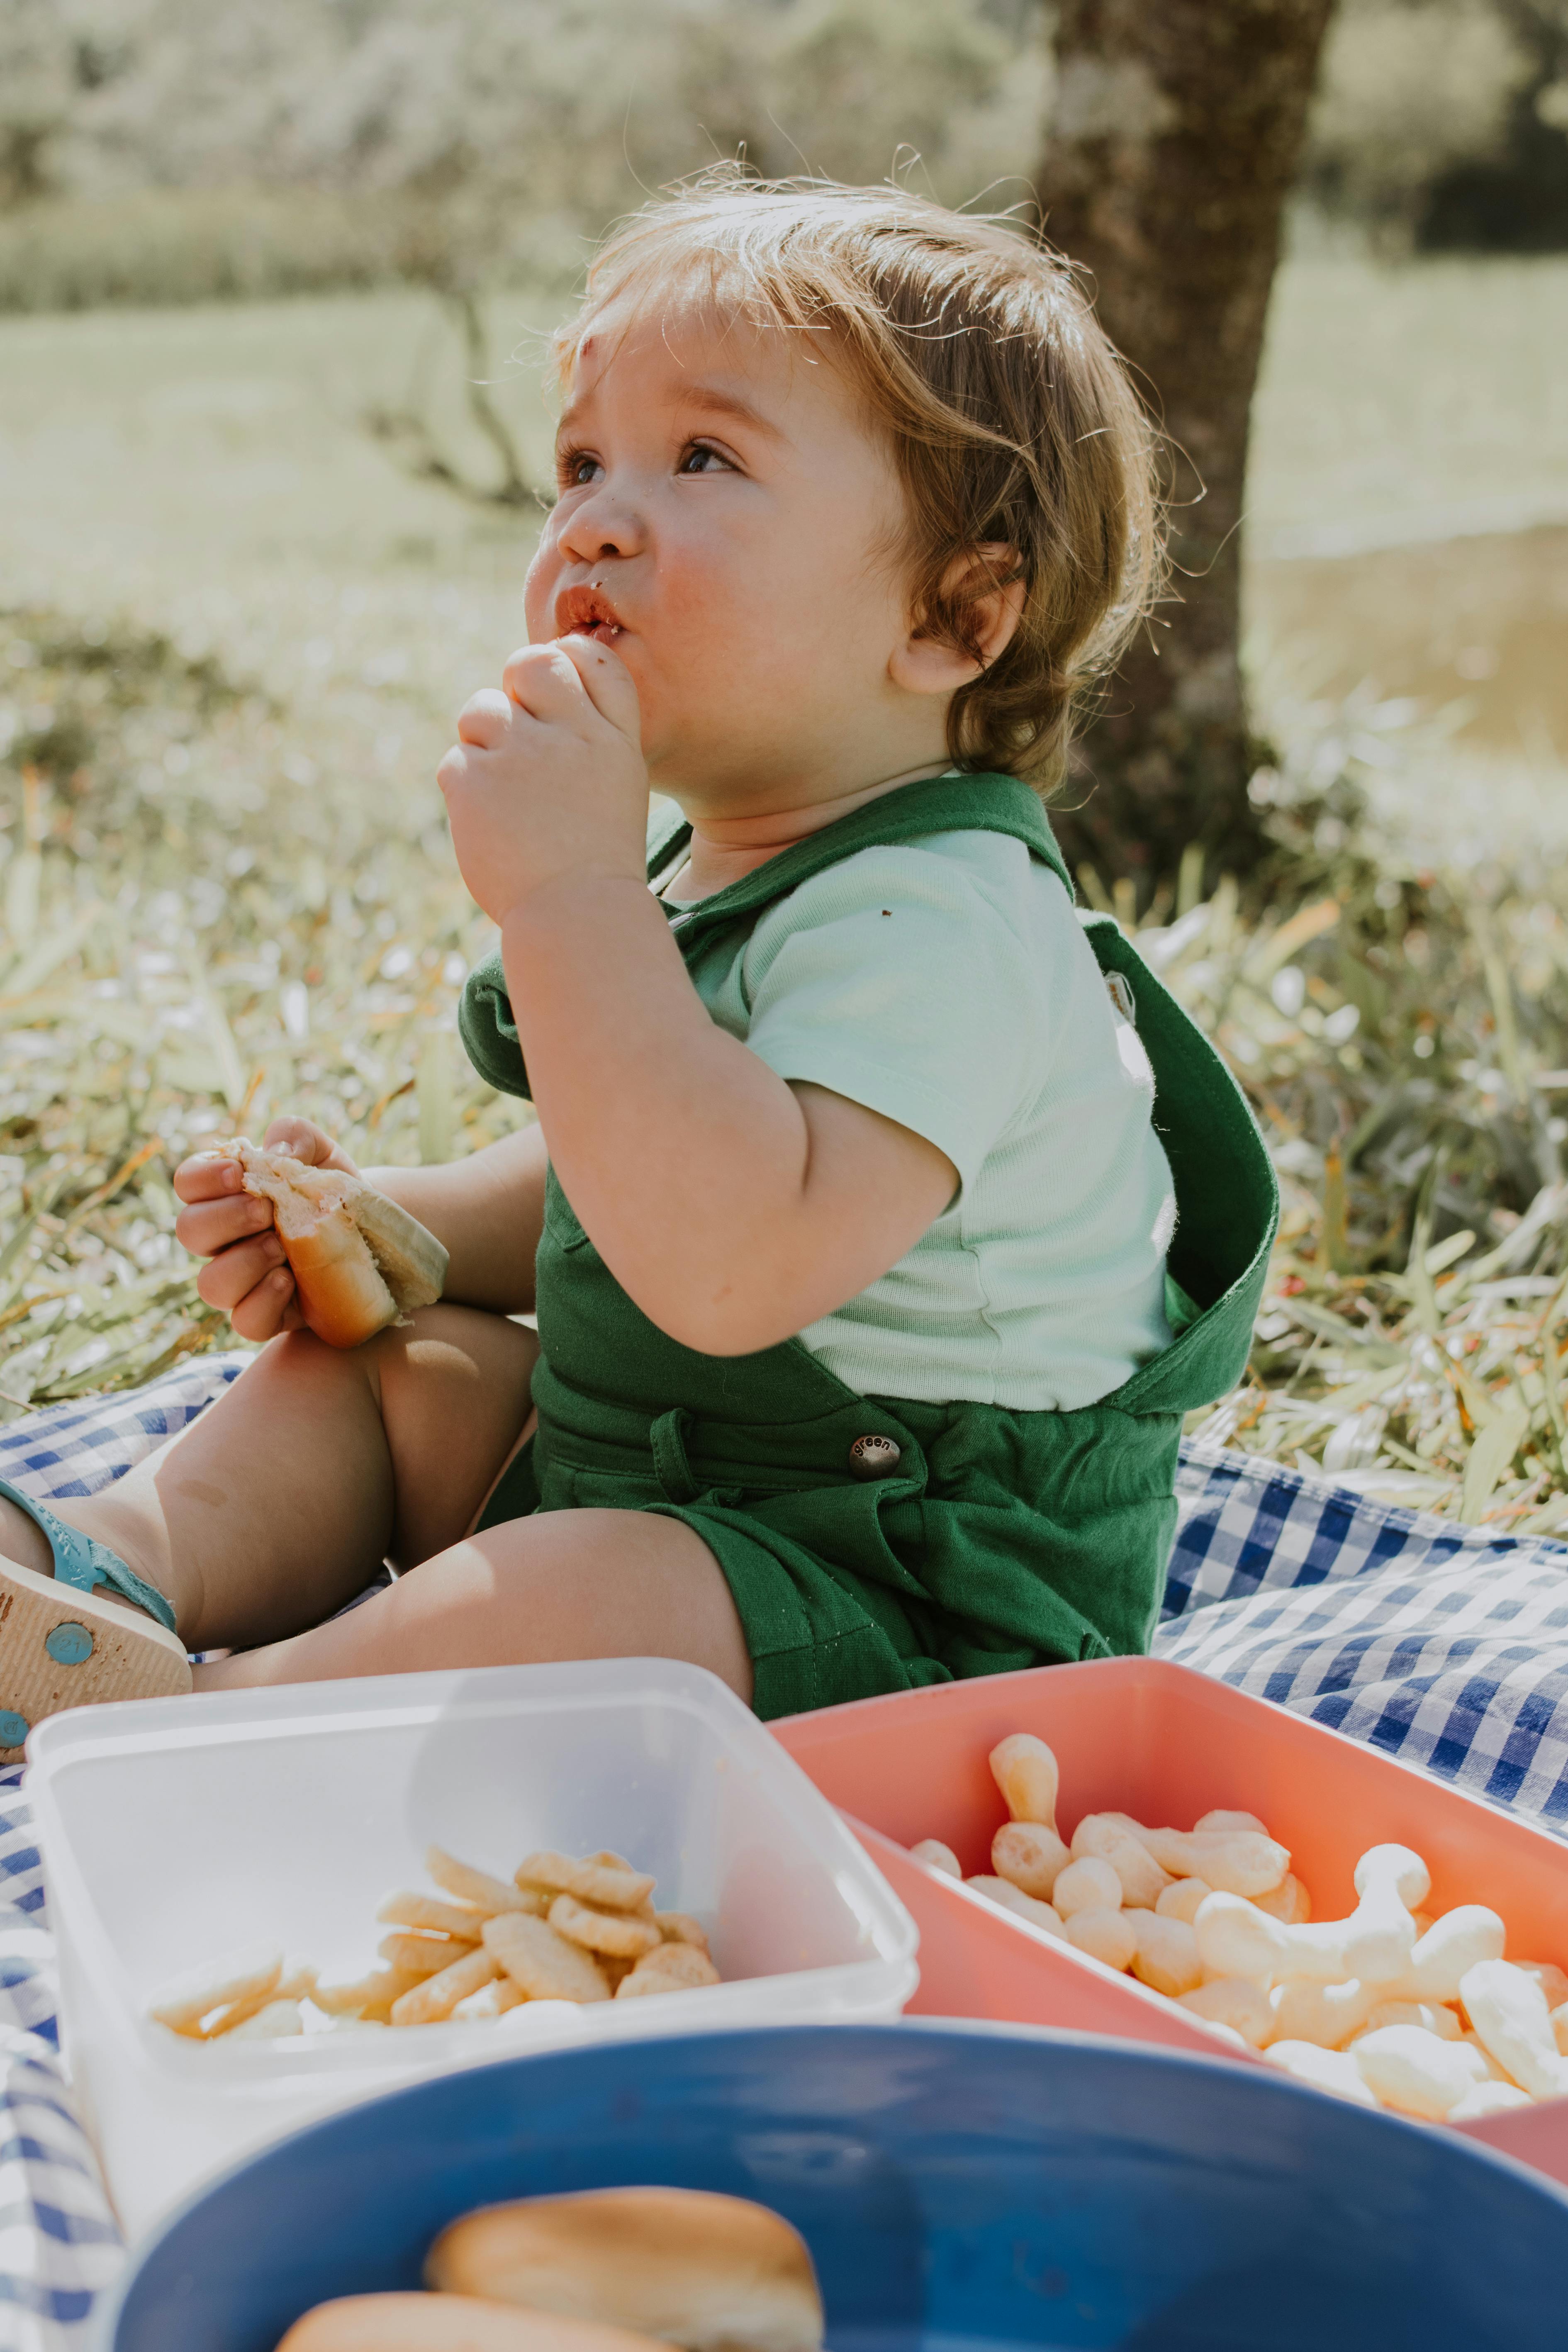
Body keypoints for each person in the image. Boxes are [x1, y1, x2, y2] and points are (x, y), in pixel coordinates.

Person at [0, 173, 1276, 1752]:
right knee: (396, 1371)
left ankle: (195, 1722)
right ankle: (92, 1577)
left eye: (704, 459)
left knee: (593, 1589)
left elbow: (732, 1260)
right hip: (687, 1480)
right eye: (582, 464)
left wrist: (567, 901)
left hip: (930, 1610)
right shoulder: (738, 866)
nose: (599, 516)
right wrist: (390, 1221)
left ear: (957, 612)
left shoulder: (942, 928)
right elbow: (607, 1173)